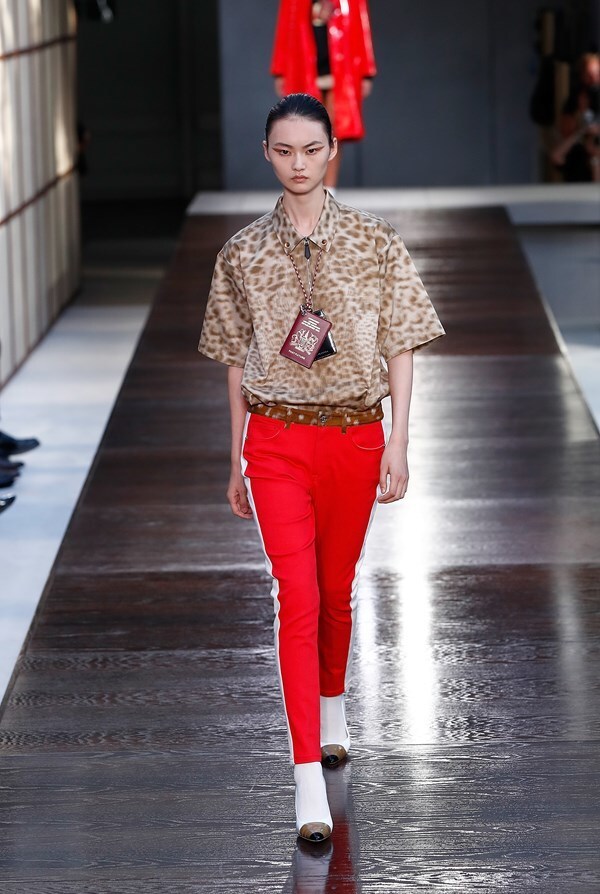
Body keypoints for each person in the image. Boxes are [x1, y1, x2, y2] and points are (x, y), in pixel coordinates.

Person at [198, 94, 444, 842]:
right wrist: (235, 455)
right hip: (275, 440)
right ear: (266, 153)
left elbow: (402, 342)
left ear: (333, 150)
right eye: (284, 150)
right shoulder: (242, 252)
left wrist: (400, 441)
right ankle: (306, 773)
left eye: (311, 149)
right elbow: (234, 361)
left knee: (335, 591)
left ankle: (332, 707)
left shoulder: (375, 242)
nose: (298, 163)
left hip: (353, 437)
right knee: (297, 596)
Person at [271, 0, 376, 188]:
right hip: (304, 69)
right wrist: (280, 70)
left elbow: (361, 25)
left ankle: (328, 189)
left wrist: (366, 71)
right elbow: (286, 25)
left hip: (341, 69)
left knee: (333, 131)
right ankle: (309, 187)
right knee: (305, 132)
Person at [551, 52, 600, 182]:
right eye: (589, 75)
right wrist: (581, 132)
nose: (594, 79)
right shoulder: (575, 98)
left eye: (597, 74)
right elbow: (556, 157)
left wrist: (595, 158)